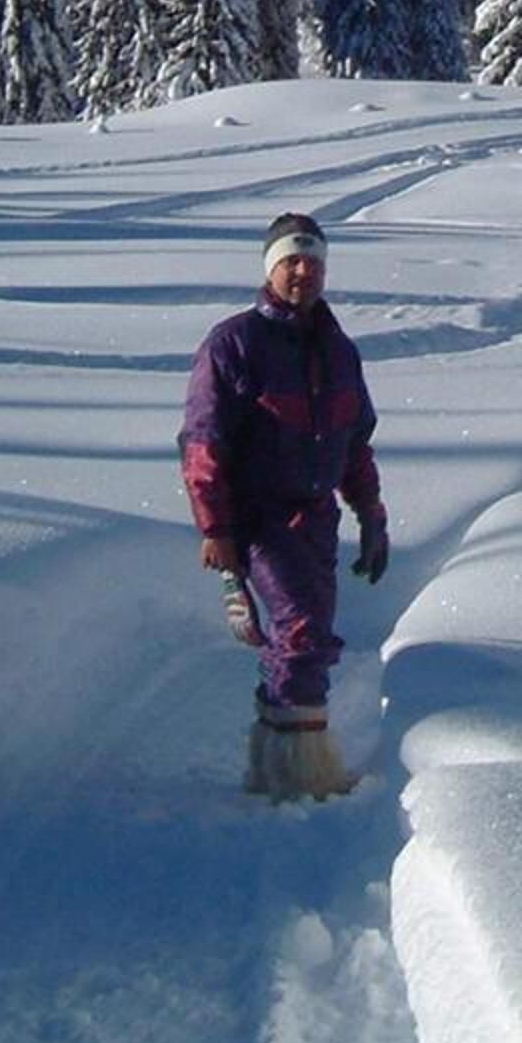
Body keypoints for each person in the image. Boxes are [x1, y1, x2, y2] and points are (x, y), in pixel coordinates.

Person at [179, 211, 391, 799]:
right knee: (300, 637)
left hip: (316, 516)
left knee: (308, 635)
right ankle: (303, 777)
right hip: (259, 518)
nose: (303, 271)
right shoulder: (234, 344)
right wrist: (216, 530)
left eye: (313, 260)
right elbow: (204, 443)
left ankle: (273, 765)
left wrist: (370, 510)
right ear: (271, 268)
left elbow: (353, 439)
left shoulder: (338, 349)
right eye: (291, 260)